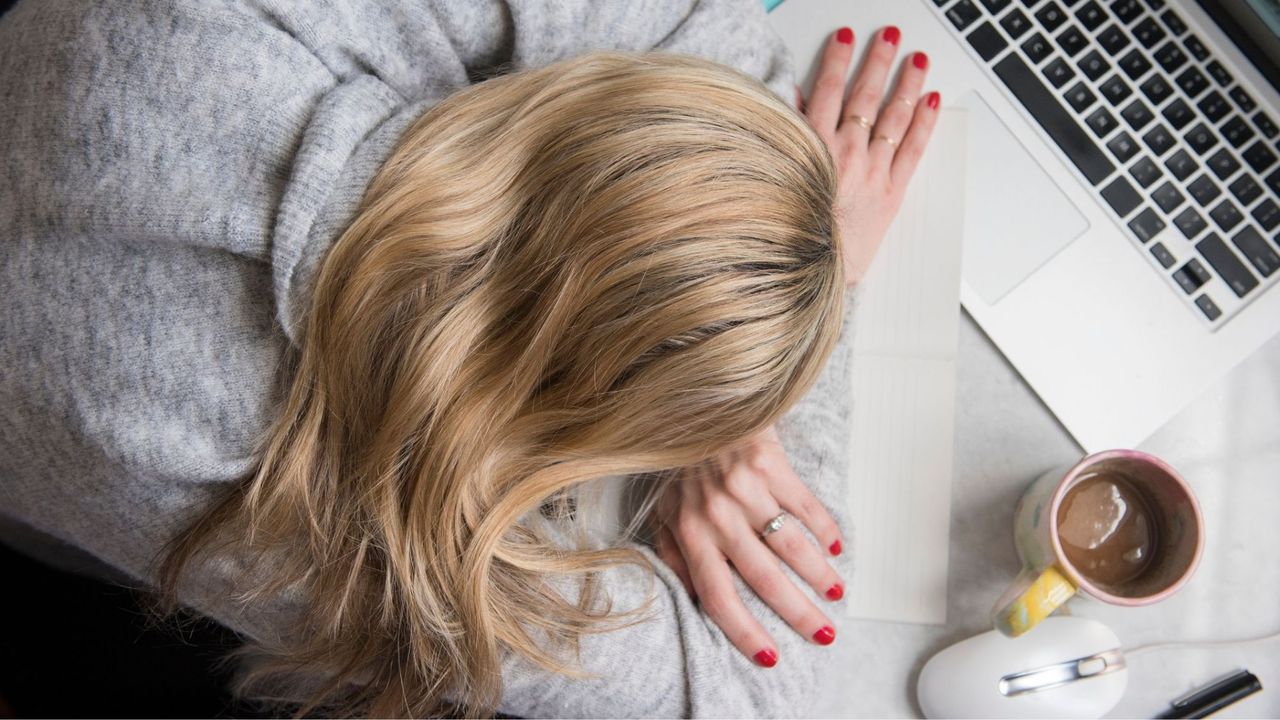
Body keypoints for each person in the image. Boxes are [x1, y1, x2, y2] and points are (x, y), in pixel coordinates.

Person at [0, 1, 937, 716]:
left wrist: (724, 304)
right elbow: (761, 691)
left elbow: (697, 24)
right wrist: (787, 354)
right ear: (588, 418)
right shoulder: (342, 529)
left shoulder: (234, 27)